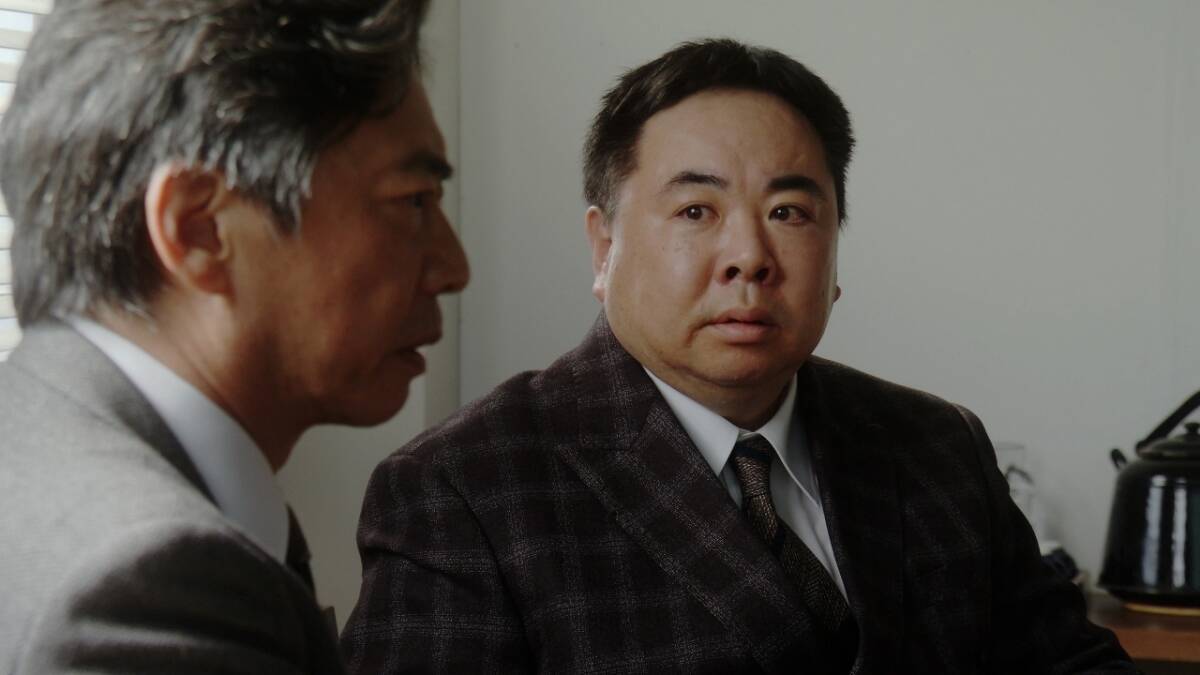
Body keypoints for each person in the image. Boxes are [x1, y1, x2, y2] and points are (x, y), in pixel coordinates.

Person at [342, 38, 1134, 673]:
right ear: (604, 246)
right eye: (696, 210)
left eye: (789, 212)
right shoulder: (464, 489)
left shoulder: (938, 445)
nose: (749, 256)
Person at [0, 0, 467, 672]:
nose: (454, 267)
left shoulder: (39, 446)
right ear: (200, 228)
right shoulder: (141, 587)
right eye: (413, 201)